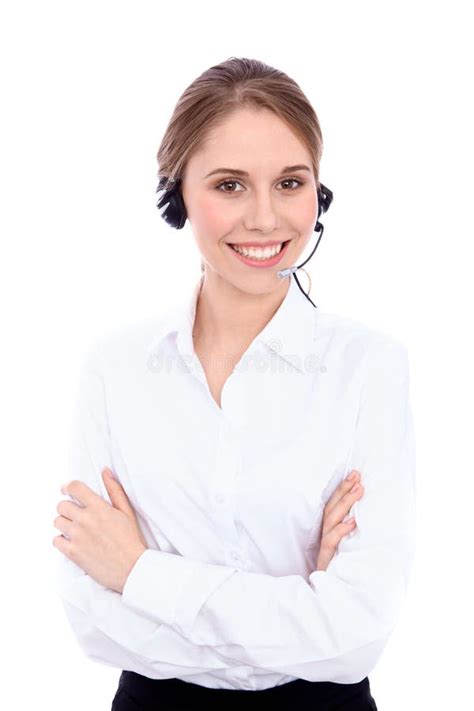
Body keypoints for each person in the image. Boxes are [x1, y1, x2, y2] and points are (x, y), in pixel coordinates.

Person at [53, 57, 416, 711]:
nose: (265, 217)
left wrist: (140, 570)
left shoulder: (369, 367)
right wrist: (301, 609)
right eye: (229, 185)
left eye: (289, 182)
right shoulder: (116, 368)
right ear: (178, 192)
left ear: (318, 193)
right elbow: (91, 618)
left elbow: (355, 636)